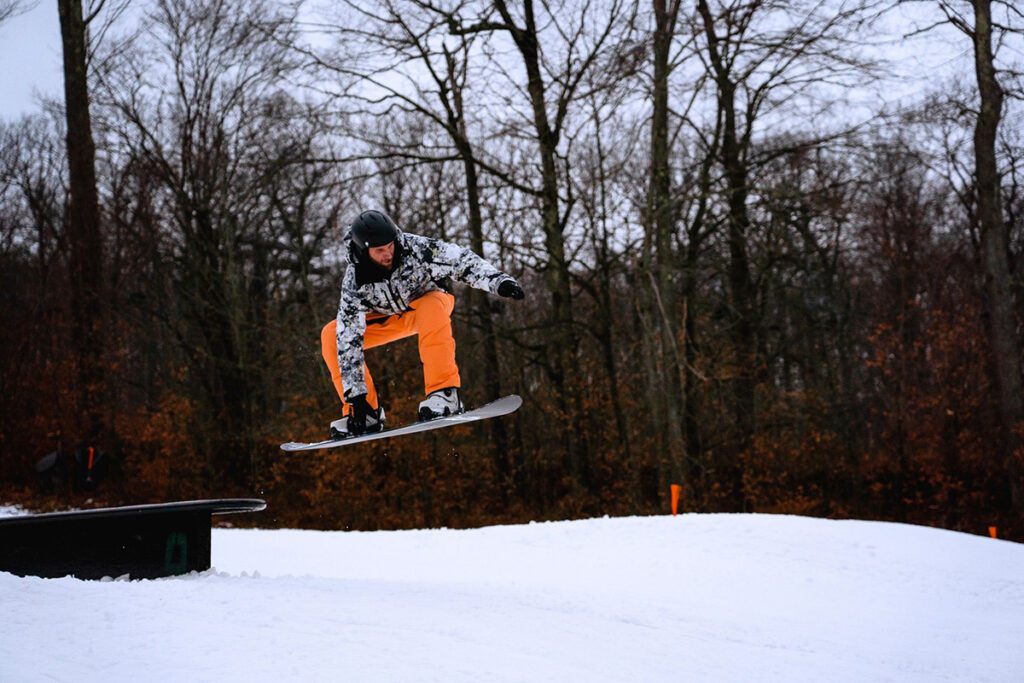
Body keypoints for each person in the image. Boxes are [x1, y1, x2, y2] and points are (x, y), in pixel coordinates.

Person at [320, 210, 525, 438]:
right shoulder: (354, 280)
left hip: (430, 308)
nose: (388, 253)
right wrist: (356, 396)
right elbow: (349, 335)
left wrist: (498, 281)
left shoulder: (416, 249)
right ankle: (367, 413)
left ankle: (444, 393)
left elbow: (460, 259)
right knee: (332, 334)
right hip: (389, 318)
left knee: (430, 304)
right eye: (380, 250)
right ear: (363, 250)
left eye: (390, 246)